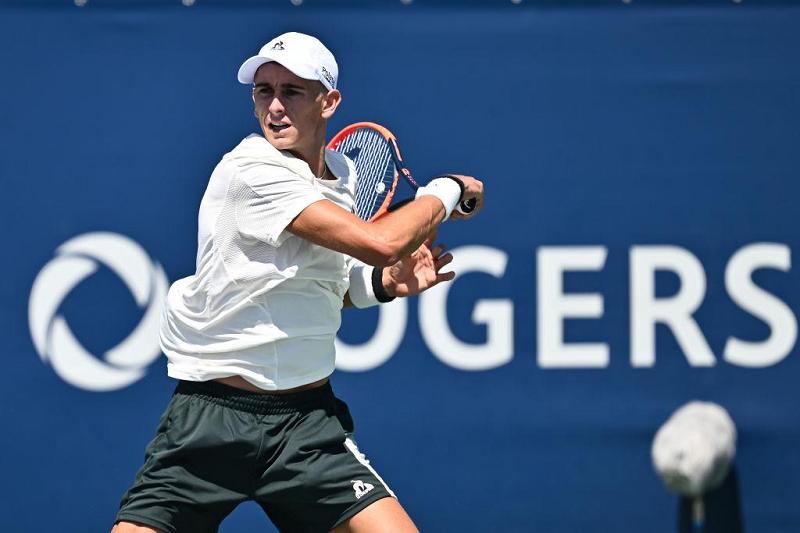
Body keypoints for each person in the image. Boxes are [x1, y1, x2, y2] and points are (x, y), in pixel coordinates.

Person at [113, 31, 483, 533]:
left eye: (292, 91)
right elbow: (380, 243)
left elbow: (326, 282)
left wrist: (385, 283)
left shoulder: (344, 174)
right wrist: (447, 190)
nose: (275, 106)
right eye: (263, 91)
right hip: (211, 422)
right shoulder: (250, 171)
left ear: (329, 102)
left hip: (306, 427)